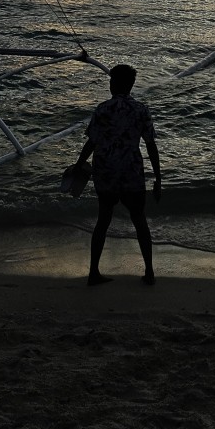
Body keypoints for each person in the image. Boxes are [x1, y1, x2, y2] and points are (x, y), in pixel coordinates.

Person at [71, 64, 161, 287]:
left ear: (116, 84)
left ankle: (94, 272)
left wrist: (78, 165)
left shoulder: (103, 109)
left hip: (106, 171)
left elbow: (92, 141)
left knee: (103, 220)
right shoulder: (141, 109)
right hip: (131, 171)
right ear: (131, 85)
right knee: (139, 220)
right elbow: (151, 145)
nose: (109, 85)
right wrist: (158, 178)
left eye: (111, 81)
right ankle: (149, 272)